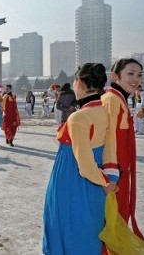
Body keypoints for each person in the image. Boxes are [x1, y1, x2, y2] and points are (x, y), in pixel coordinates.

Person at [43, 63, 115, 254]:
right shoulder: (107, 111)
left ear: (80, 82)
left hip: (71, 181)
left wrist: (104, 181)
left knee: (65, 229)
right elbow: (111, 149)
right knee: (90, 231)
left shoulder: (79, 117)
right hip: (97, 183)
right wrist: (110, 178)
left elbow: (84, 165)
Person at [101, 58, 144, 241]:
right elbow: (108, 139)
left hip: (119, 172)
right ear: (115, 76)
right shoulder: (112, 100)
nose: (136, 79)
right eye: (130, 74)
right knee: (112, 224)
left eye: (139, 75)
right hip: (115, 175)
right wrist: (110, 175)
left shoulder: (118, 99)